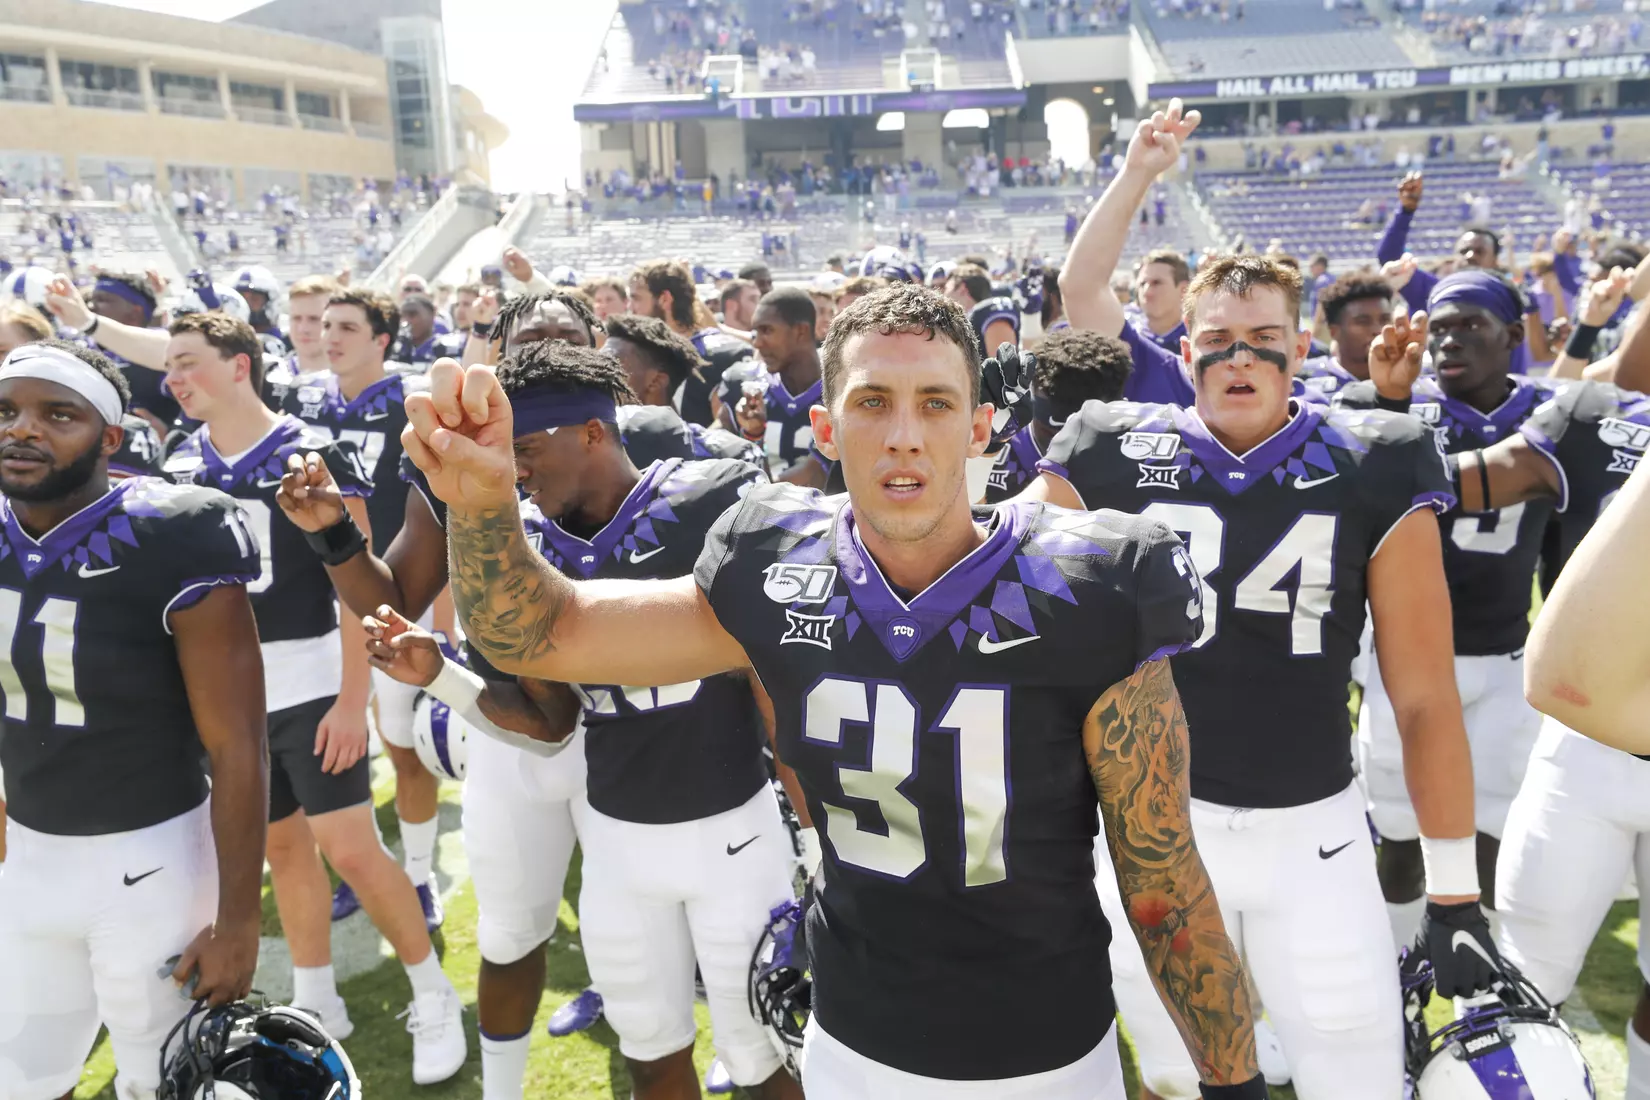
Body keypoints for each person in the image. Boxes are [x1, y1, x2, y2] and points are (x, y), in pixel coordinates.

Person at [404, 283, 1269, 1098]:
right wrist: (482, 502)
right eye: (872, 403)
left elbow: (1163, 885)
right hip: (852, 1046)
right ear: (826, 424)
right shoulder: (768, 560)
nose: (903, 436)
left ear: (980, 427)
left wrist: (1237, 1084)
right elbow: (538, 634)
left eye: (935, 403)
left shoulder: (1098, 578)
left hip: (1044, 1057)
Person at [1023, 246, 1497, 1096]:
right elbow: (1024, 650)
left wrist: (1455, 894)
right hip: (1152, 834)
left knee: (1357, 1075)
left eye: (1263, 336)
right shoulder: (1105, 449)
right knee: (1178, 1079)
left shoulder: (1376, 457)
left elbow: (1422, 694)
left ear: (1302, 344)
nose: (1240, 358)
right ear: (1184, 349)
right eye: (1219, 339)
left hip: (1312, 835)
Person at [376, 342, 802, 1099]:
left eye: (527, 449)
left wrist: (813, 828)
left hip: (733, 833)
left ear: (595, 433)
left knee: (763, 1049)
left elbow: (777, 681)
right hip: (615, 842)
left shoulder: (714, 497)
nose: (520, 473)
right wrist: (439, 674)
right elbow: (548, 722)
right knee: (650, 1048)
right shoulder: (521, 548)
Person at [160, 312, 467, 1083]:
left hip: (310, 684)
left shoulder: (307, 447)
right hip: (230, 700)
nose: (176, 379)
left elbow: (356, 581)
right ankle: (315, 998)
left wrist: (350, 698)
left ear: (240, 365)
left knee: (355, 851)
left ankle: (433, 993)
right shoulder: (177, 463)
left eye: (189, 362)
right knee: (284, 848)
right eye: (170, 366)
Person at [0, 340, 268, 1100]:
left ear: (110, 438)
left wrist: (239, 922)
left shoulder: (174, 532)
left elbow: (238, 745)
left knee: (160, 1086)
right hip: (28, 862)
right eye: (6, 411)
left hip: (151, 867)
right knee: (21, 1080)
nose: (23, 430)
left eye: (58, 414)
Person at [1337, 269, 1561, 950]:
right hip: (1406, 658)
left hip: (1503, 659)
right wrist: (1390, 399)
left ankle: (1478, 980)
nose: (1451, 340)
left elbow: (1560, 546)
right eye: (1440, 326)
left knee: (1491, 832)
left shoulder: (1550, 415)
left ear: (1513, 336)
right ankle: (1399, 972)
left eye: (1471, 324)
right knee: (1401, 836)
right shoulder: (1393, 406)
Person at [1446, 377, 1650, 1094]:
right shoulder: (1604, 419)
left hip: (1587, 727)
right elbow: (1458, 480)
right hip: (1583, 747)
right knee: (1525, 978)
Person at [286, 287, 445, 931]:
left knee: (401, 745)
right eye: (326, 325)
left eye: (347, 326)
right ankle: (357, 861)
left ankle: (419, 872)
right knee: (323, 744)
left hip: (391, 593)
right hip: (310, 600)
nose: (331, 336)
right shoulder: (298, 400)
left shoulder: (409, 405)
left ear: (383, 339)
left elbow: (437, 518)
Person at [980, 329, 1133, 503]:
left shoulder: (1137, 461)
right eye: (1051, 434)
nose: (1060, 451)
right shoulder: (995, 445)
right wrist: (981, 460)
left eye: (1080, 441)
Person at [717, 288, 828, 486]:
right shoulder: (746, 384)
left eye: (766, 330)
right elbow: (710, 447)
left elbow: (814, 477)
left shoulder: (840, 388)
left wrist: (755, 438)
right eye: (755, 332)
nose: (757, 343)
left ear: (800, 331)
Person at [629, 259, 753, 425]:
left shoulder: (720, 355)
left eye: (636, 298)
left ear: (665, 299)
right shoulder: (646, 355)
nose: (631, 307)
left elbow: (731, 436)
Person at [1303, 274, 1394, 391]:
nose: (1378, 330)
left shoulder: (1410, 379)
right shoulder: (1305, 383)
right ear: (1334, 331)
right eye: (1363, 322)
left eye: (1385, 320)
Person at [942, 263, 1020, 353]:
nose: (943, 293)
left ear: (962, 288)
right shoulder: (966, 319)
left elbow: (1005, 364)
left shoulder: (989, 314)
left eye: (946, 287)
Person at [1129, 248, 1192, 353]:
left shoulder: (1198, 343)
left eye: (1156, 283)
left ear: (1183, 290)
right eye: (1142, 284)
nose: (1147, 292)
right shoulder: (1124, 336)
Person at [395, 293, 467, 369]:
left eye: (412, 314)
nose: (405, 321)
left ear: (432, 314)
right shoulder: (396, 349)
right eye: (402, 316)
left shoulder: (448, 348)